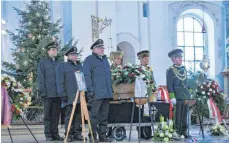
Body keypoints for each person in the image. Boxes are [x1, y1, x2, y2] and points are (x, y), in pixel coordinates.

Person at [83, 39, 113, 142]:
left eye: (103, 48)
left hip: (106, 93)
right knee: (94, 116)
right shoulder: (89, 60)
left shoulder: (105, 60)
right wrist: (90, 90)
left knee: (104, 116)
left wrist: (110, 90)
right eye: (100, 48)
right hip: (96, 93)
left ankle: (102, 136)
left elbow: (108, 76)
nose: (102, 50)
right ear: (94, 49)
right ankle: (92, 136)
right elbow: (87, 76)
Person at [56, 46, 84, 142]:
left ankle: (77, 133)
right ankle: (68, 134)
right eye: (73, 55)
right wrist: (62, 94)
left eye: (76, 54)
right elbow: (60, 81)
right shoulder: (63, 66)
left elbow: (83, 80)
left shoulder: (80, 66)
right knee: (69, 116)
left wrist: (85, 92)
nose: (75, 56)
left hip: (80, 95)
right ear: (68, 56)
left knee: (78, 116)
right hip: (69, 96)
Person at [37, 42, 63, 141]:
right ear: (48, 51)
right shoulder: (43, 62)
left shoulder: (59, 63)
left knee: (56, 115)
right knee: (47, 115)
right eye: (52, 49)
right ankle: (48, 134)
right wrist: (43, 91)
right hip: (48, 94)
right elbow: (41, 78)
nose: (54, 51)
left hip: (58, 94)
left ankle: (55, 133)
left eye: (56, 49)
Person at [166, 49, 191, 138]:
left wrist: (190, 93)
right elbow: (169, 84)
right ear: (173, 59)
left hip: (185, 95)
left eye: (181, 57)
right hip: (177, 96)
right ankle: (177, 131)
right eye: (179, 57)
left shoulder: (183, 69)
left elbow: (187, 83)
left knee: (185, 114)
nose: (181, 59)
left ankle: (184, 131)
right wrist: (172, 96)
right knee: (178, 115)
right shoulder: (170, 70)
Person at [135, 50, 156, 140]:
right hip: (141, 93)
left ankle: (148, 133)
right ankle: (141, 133)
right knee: (140, 114)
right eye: (146, 58)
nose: (147, 60)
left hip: (149, 94)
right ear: (141, 59)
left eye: (148, 58)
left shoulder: (149, 69)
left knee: (148, 114)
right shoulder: (137, 70)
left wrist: (154, 89)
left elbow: (153, 81)